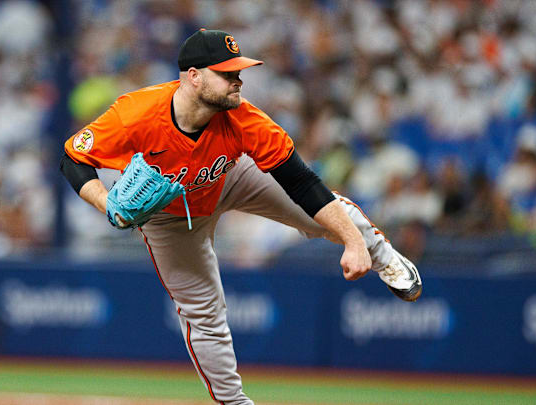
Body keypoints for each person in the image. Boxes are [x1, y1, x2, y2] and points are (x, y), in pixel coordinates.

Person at [60, 29, 421, 405]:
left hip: (231, 176)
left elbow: (304, 184)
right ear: (193, 76)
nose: (238, 81)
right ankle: (234, 402)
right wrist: (107, 204)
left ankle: (385, 256)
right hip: (168, 216)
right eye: (227, 73)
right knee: (203, 312)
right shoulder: (136, 113)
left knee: (321, 216)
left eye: (239, 72)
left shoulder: (244, 118)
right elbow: (73, 157)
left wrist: (354, 241)